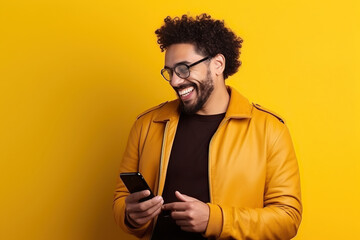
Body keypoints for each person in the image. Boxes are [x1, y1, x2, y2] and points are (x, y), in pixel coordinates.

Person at [113, 13, 302, 240]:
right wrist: (131, 215)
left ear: (218, 64)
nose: (174, 81)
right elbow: (121, 199)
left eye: (184, 69)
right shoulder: (147, 125)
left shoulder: (269, 129)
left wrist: (216, 219)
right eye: (170, 72)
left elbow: (288, 218)